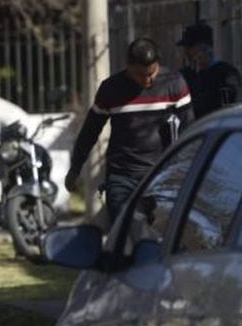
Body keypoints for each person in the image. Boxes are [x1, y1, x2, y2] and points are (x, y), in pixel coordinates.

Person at [65, 37, 194, 223]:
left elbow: (189, 128)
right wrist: (75, 167)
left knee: (160, 234)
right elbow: (90, 131)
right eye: (141, 75)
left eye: (152, 72)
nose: (148, 80)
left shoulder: (174, 84)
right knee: (127, 233)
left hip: (163, 176)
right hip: (122, 178)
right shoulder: (111, 89)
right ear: (129, 68)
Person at [177, 22, 239, 119]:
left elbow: (231, 107)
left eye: (190, 47)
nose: (186, 52)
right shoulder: (184, 75)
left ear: (204, 48)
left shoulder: (226, 74)